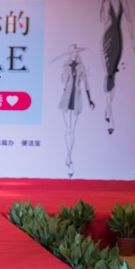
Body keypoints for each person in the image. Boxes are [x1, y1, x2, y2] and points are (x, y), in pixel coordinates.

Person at [99, 0, 135, 135]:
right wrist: (105, 6)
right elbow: (103, 23)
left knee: (112, 76)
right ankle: (110, 116)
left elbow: (129, 20)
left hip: (118, 40)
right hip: (107, 40)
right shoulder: (106, 3)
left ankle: (108, 110)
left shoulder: (123, 2)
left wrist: (133, 39)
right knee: (108, 75)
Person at [56, 44, 95, 178]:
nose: (73, 55)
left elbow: (86, 83)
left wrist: (90, 99)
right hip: (66, 98)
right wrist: (63, 78)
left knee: (72, 129)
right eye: (71, 53)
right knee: (68, 129)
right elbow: (64, 83)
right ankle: (69, 158)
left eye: (75, 52)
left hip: (77, 98)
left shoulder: (81, 66)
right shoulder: (65, 67)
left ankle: (69, 156)